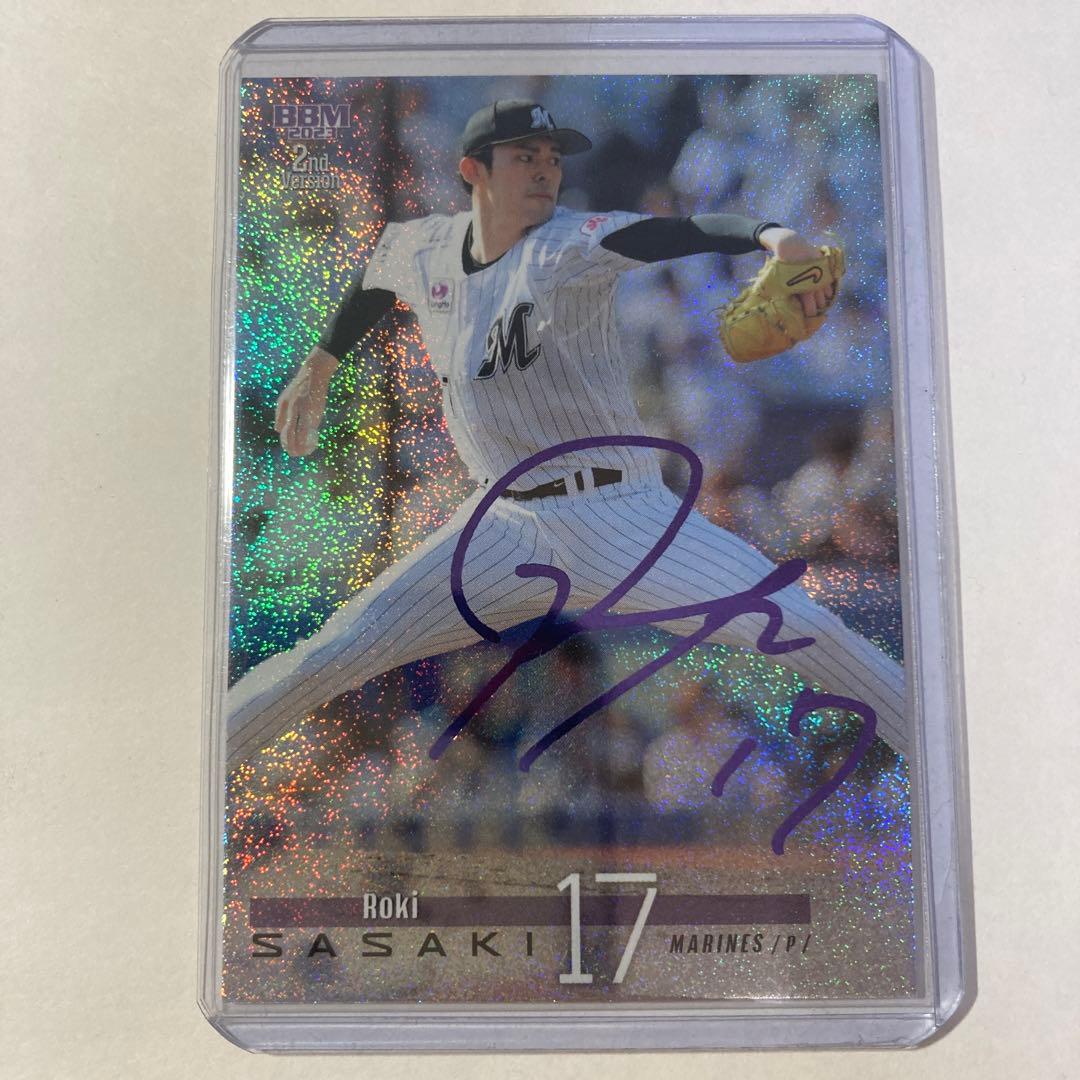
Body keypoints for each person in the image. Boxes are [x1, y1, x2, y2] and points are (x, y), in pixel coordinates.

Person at [225, 99, 906, 770]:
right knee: (335, 650)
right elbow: (378, 274)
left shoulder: (570, 243)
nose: (546, 170)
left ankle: (941, 749)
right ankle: (195, 765)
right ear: (473, 170)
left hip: (624, 520)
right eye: (526, 156)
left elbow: (672, 234)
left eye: (552, 158)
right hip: (504, 528)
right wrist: (320, 365)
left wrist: (771, 235)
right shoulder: (424, 247)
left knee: (807, 626)